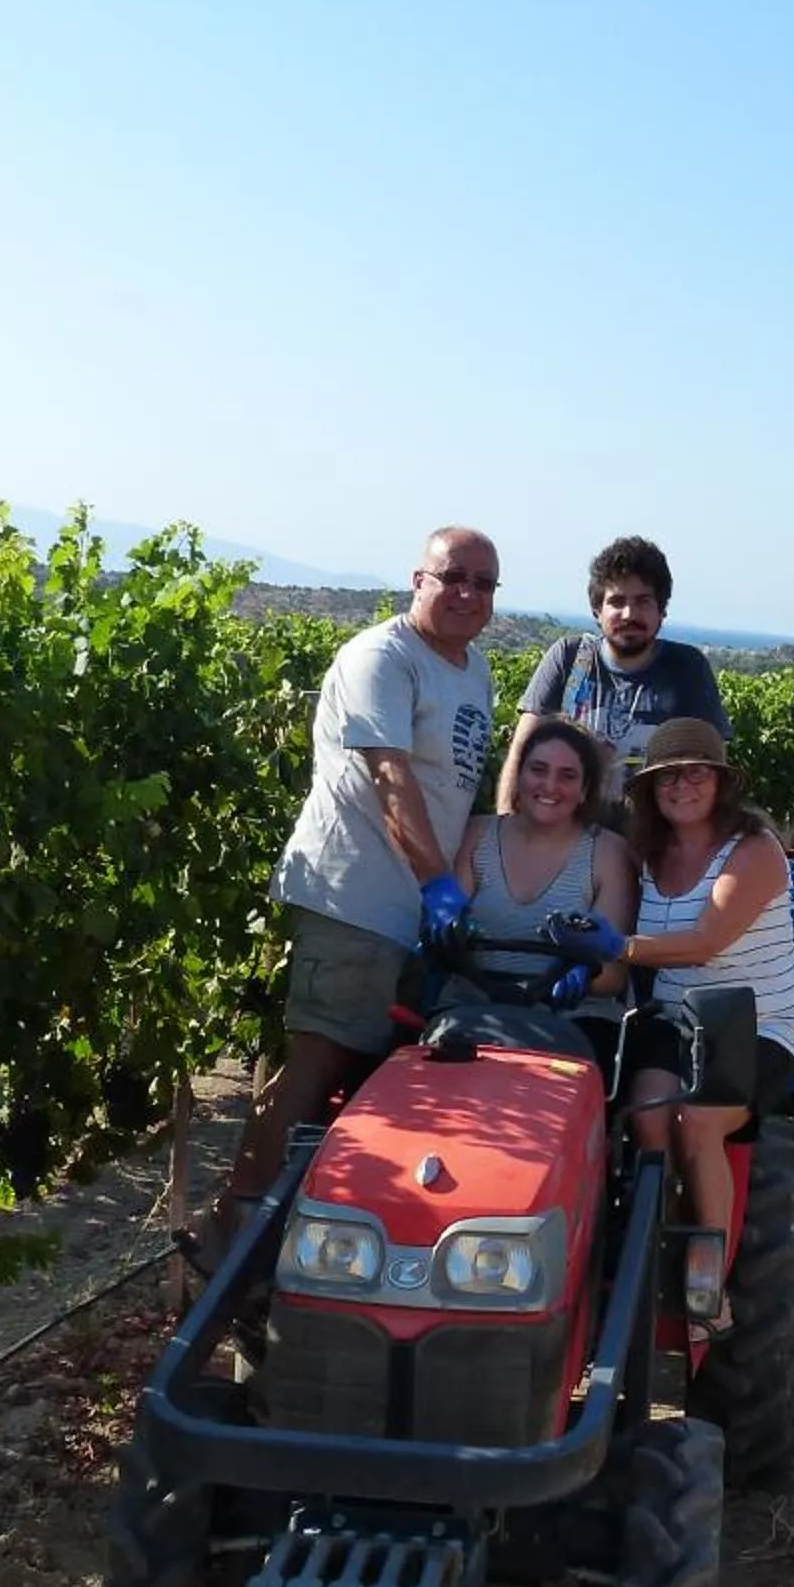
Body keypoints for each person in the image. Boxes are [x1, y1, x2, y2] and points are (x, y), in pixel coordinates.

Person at [197, 526, 501, 1265]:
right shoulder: (382, 658)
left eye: (483, 583)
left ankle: (321, 1233)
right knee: (320, 1057)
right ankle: (234, 1235)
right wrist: (437, 886)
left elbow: (457, 792)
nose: (466, 592)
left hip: (407, 913)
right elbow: (390, 779)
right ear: (417, 580)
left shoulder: (474, 671)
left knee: (370, 1078)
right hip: (354, 895)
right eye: (451, 576)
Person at [547, 717, 794, 1250]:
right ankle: (653, 1234)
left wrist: (616, 947)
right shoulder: (650, 854)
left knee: (699, 1120)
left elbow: (706, 941)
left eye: (696, 775)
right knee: (646, 1115)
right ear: (649, 791)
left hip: (756, 1024)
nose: (681, 786)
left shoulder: (752, 850)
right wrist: (584, 966)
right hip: (675, 1020)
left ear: (721, 783)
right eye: (668, 778)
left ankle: (705, 1282)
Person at [451, 716, 637, 1073]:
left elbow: (613, 975)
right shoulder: (477, 834)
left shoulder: (608, 852)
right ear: (518, 777)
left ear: (585, 790)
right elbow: (450, 932)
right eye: (538, 769)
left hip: (572, 1017)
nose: (550, 785)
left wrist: (583, 974)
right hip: (474, 1008)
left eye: (567, 776)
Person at [511, 535, 729, 810]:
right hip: (565, 841)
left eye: (643, 601)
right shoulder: (569, 658)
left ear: (662, 611)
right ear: (596, 611)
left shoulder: (686, 669)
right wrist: (506, 831)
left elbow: (713, 770)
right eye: (616, 601)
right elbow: (521, 754)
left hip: (651, 846)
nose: (629, 614)